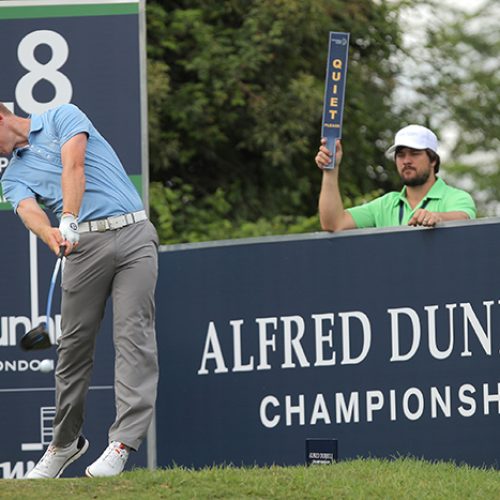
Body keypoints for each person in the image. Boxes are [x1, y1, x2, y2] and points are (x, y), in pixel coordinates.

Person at [0, 102, 159, 478]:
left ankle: (122, 443)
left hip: (133, 234)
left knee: (133, 337)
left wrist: (68, 215)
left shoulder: (61, 116)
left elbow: (75, 164)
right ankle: (65, 443)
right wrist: (50, 232)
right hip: (81, 249)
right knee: (72, 351)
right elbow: (28, 210)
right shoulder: (12, 175)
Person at [315, 124, 476, 231]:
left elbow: (463, 218)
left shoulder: (456, 197)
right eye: (401, 155)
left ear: (433, 160)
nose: (406, 161)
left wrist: (437, 217)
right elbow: (333, 224)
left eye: (414, 154)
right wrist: (331, 170)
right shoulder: (384, 204)